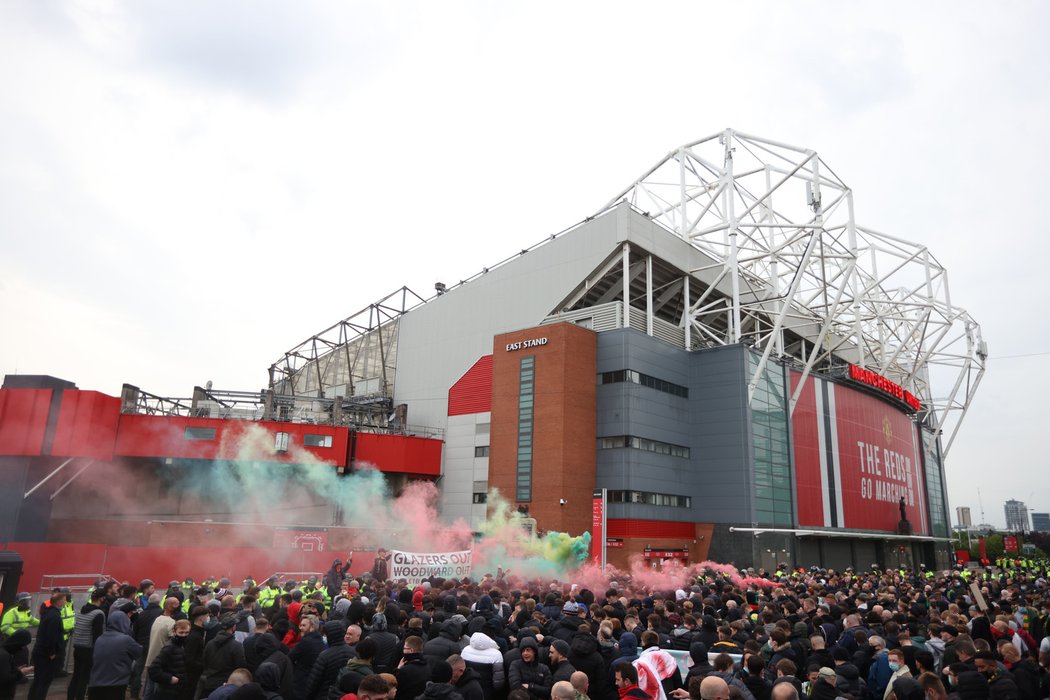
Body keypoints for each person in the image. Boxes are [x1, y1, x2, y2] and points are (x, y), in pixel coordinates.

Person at [88, 608, 144, 700]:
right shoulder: (126, 639)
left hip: (95, 683)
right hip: (116, 683)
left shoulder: (100, 638)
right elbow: (138, 651)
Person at [69, 588, 108, 700]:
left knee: (76, 676)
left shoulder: (83, 609)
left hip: (78, 647)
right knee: (84, 678)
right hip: (89, 650)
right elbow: (98, 636)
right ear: (102, 598)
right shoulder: (98, 613)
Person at [28, 590, 68, 700]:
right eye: (64, 600)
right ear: (58, 602)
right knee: (44, 682)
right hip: (46, 655)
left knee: (38, 681)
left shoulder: (48, 613)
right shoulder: (54, 616)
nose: (65, 603)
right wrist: (52, 653)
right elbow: (51, 637)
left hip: (40, 652)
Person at [304, 621, 354, 700]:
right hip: (345, 696)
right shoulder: (353, 652)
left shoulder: (325, 656)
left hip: (324, 695)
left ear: (330, 635)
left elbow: (314, 681)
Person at [201, 614, 248, 698]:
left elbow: (205, 662)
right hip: (227, 686)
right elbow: (241, 666)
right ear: (233, 627)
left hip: (210, 683)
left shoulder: (210, 643)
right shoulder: (236, 646)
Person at [147, 619, 190, 700]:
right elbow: (153, 669)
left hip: (177, 691)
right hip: (168, 692)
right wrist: (169, 678)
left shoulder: (182, 646)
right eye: (181, 632)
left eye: (187, 632)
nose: (184, 635)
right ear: (174, 632)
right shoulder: (170, 648)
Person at [394, 636, 430, 700]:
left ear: (411, 650)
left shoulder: (405, 671)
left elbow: (395, 688)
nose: (403, 650)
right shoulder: (428, 666)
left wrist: (398, 669)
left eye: (404, 648)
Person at [0, 631, 33, 700]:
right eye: (22, 645)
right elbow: (5, 679)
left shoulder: (4, 652)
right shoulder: (4, 655)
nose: (22, 648)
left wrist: (15, 670)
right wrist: (21, 673)